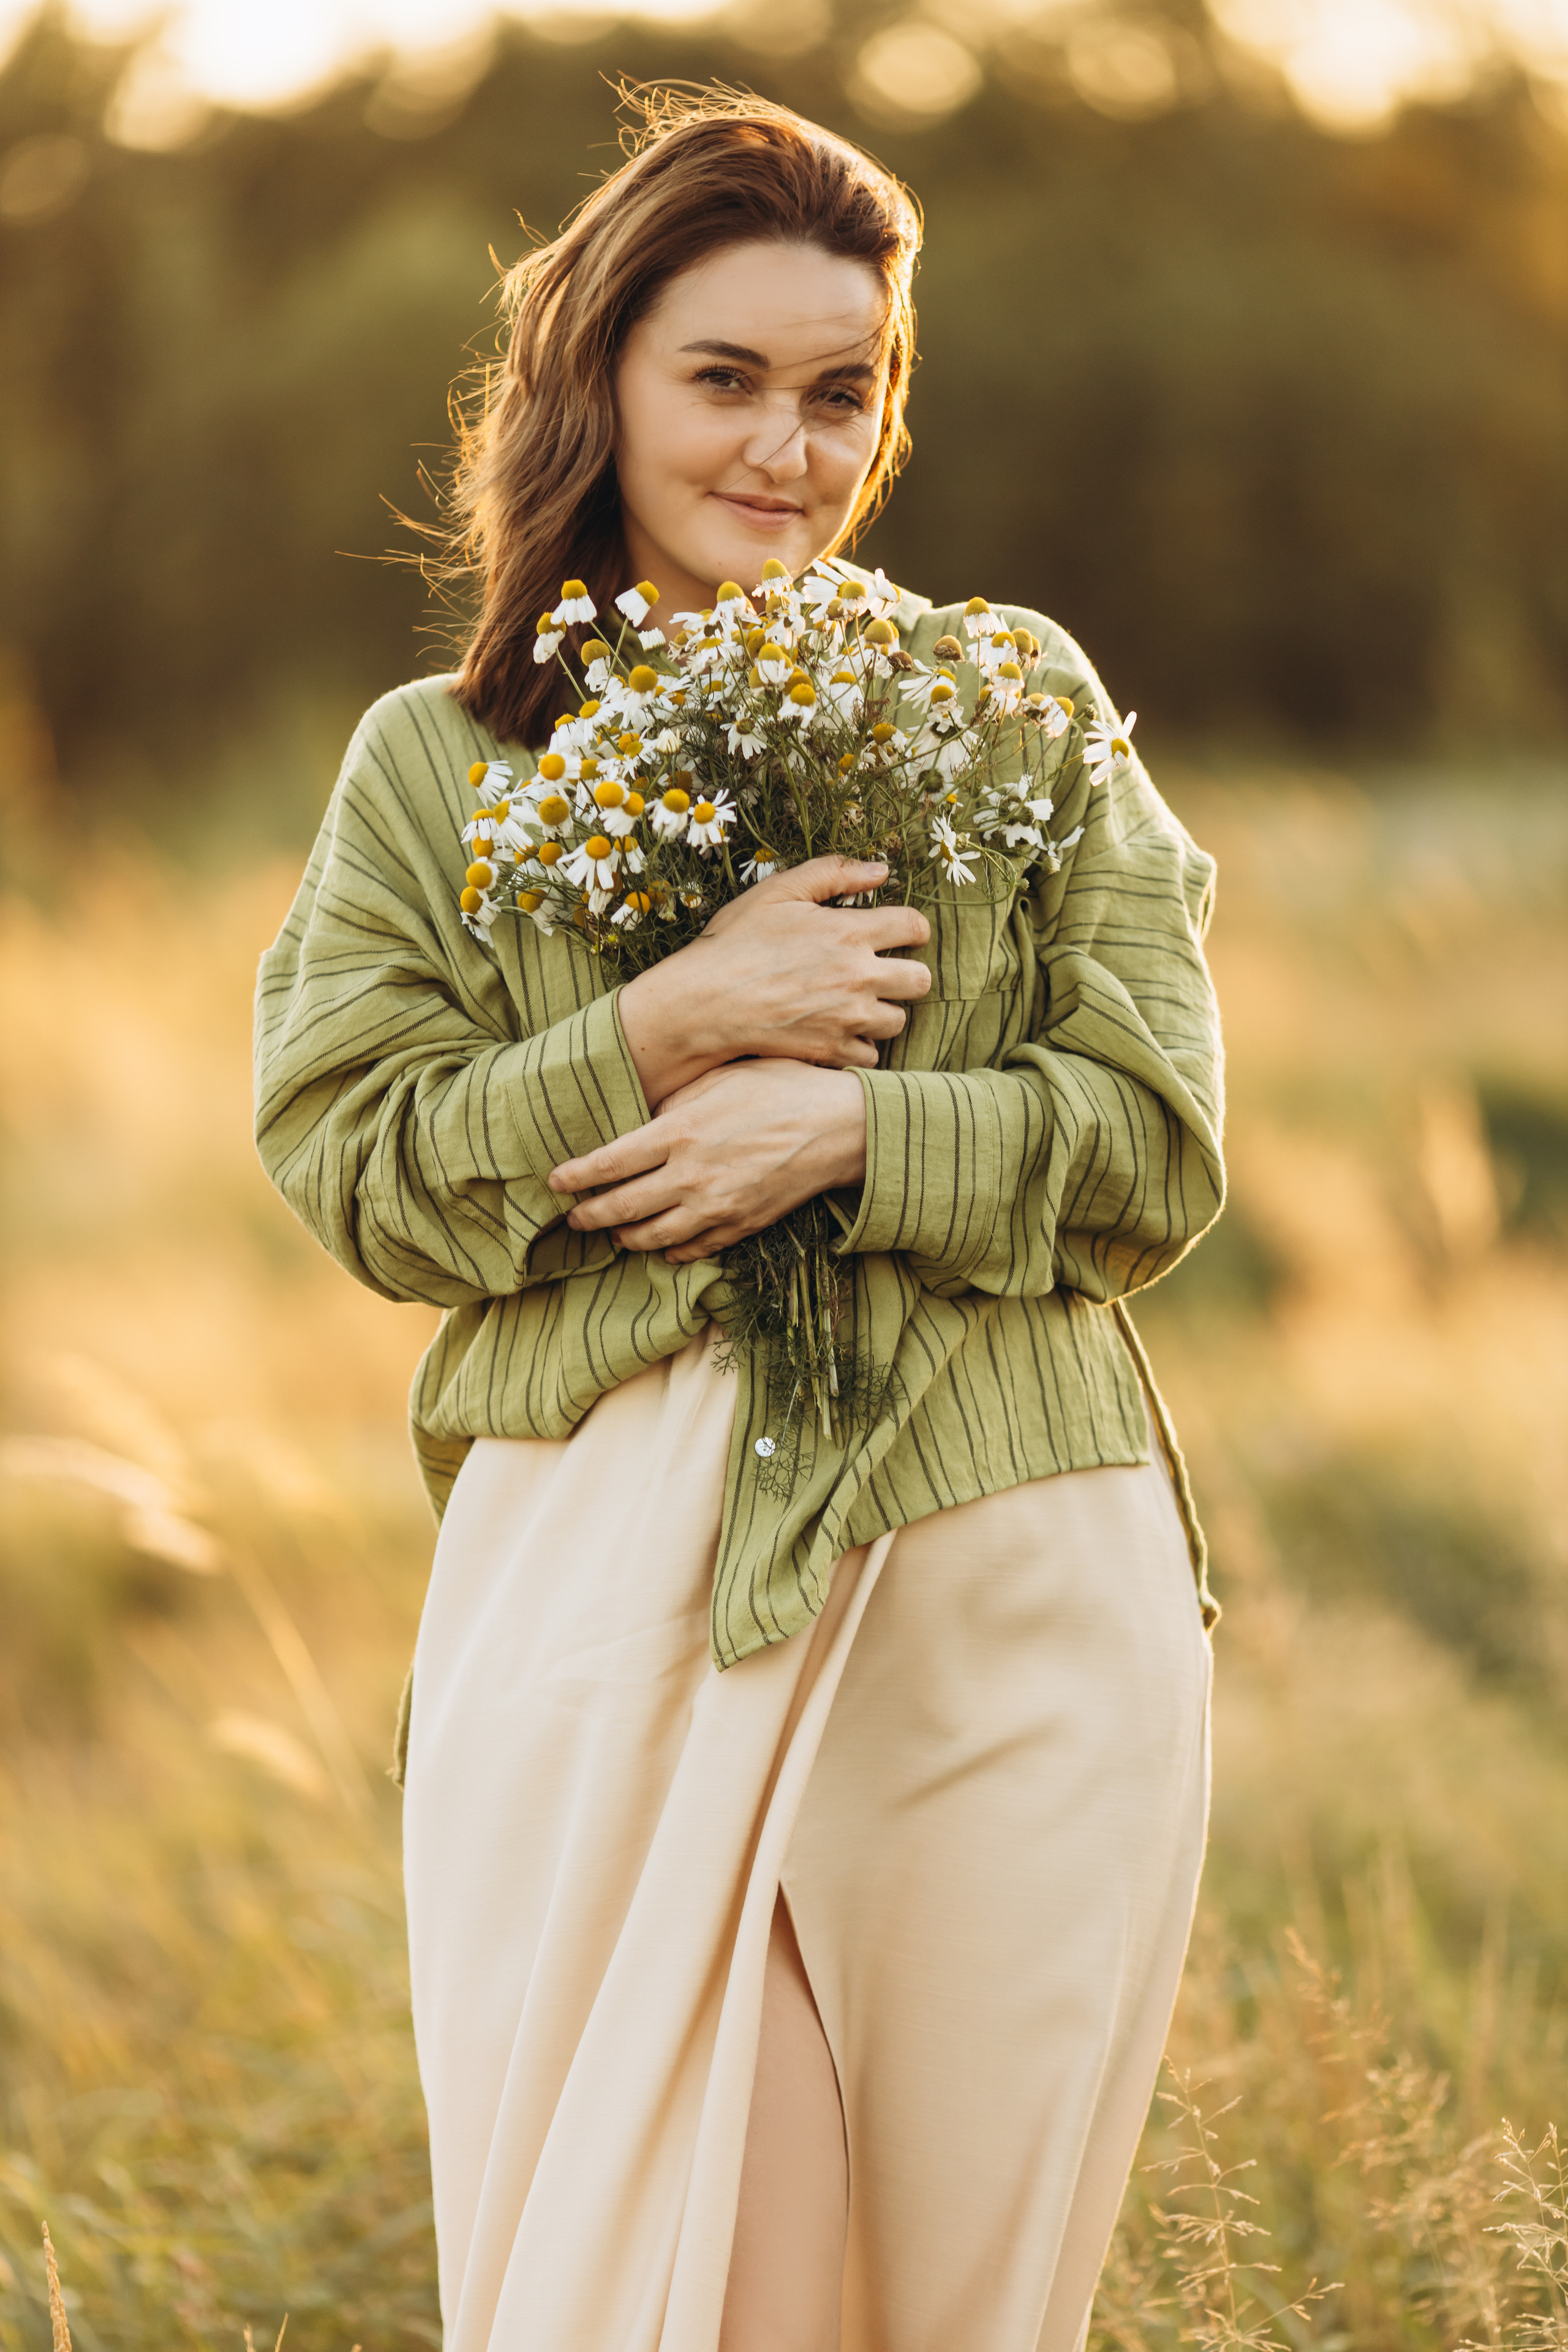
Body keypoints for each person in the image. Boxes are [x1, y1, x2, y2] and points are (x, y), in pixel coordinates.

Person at [255, 88, 1225, 2352]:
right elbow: (360, 1166)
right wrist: (672, 1023)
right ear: (596, 373)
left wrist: (859, 1140)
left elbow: (1159, 1141)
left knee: (954, 2305)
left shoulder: (1021, 703)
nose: (788, 449)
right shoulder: (438, 760)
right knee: (676, 2285)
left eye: (840, 392)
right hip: (605, 1577)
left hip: (1008, 1587)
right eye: (726, 380)